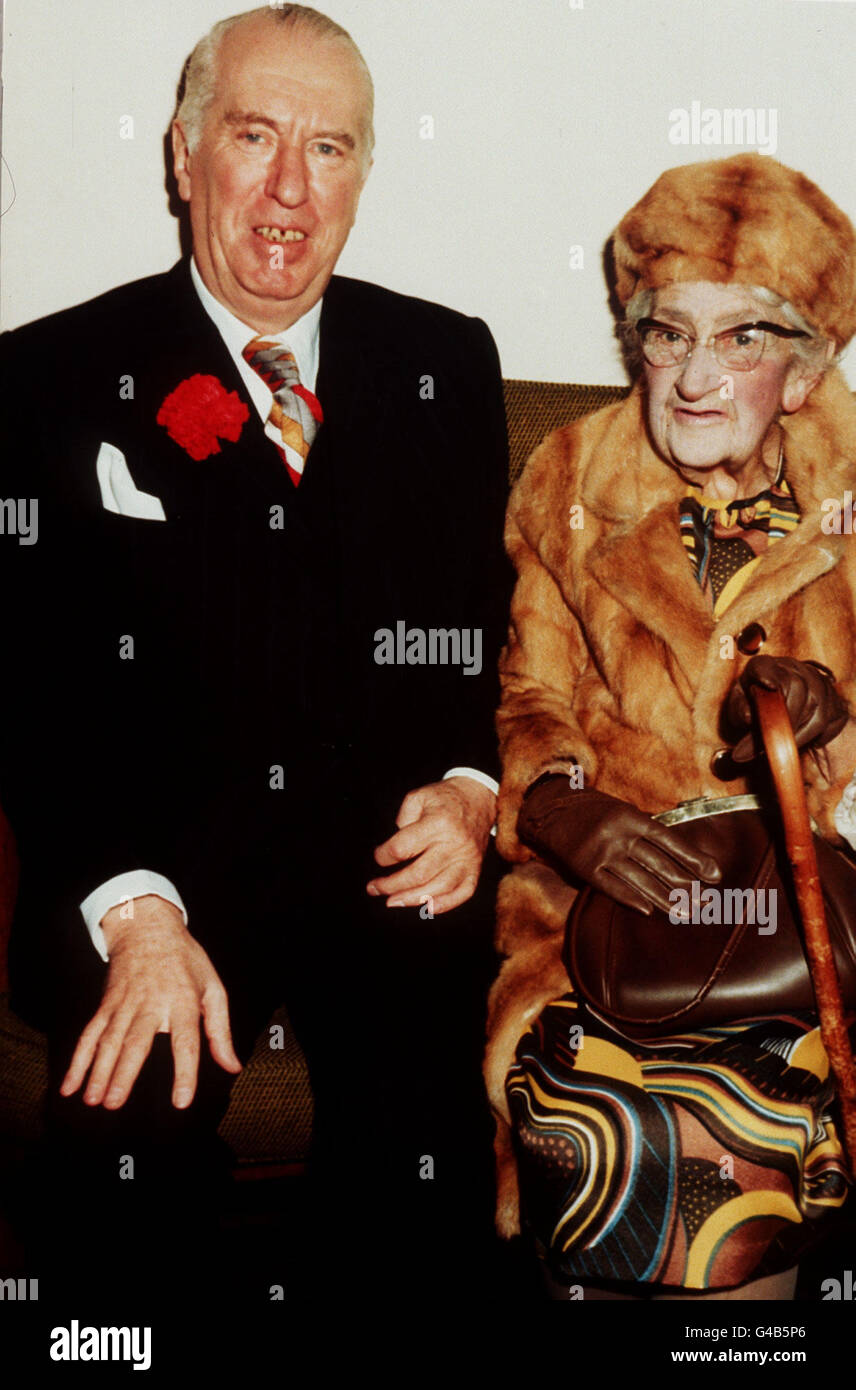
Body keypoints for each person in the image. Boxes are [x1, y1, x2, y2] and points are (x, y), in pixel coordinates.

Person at [0, 5, 511, 1303]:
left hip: (387, 871)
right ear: (184, 156)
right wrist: (134, 913)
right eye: (253, 137)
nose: (291, 187)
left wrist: (470, 788)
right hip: (152, 870)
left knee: (432, 1167)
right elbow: (30, 686)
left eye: (329, 148)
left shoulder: (446, 362)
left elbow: (485, 628)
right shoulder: (45, 376)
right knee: (121, 1155)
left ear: (363, 173)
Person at [484, 154, 856, 1300]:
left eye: (743, 339)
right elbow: (528, 694)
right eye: (668, 333)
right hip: (600, 928)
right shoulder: (568, 475)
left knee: (741, 1149)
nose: (696, 376)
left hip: (796, 929)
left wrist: (828, 720)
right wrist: (561, 808)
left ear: (804, 370)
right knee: (603, 1127)